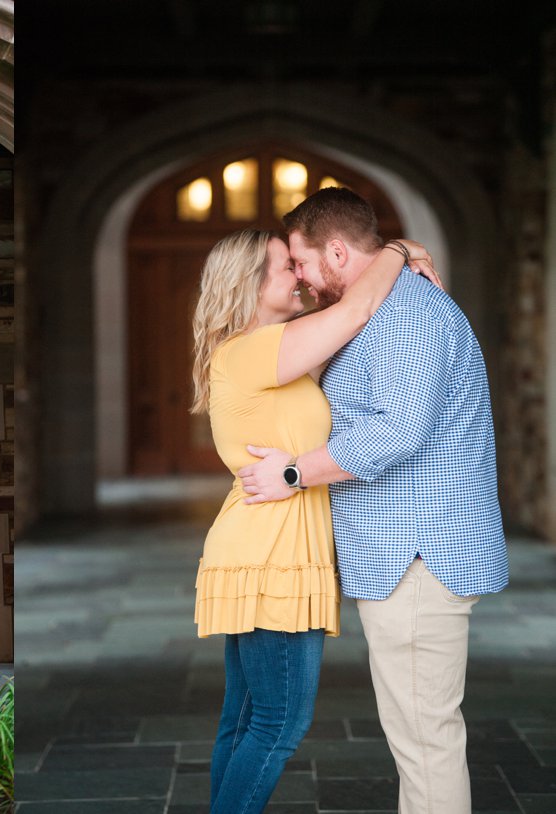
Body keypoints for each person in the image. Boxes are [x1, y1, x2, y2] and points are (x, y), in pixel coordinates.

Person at [237, 187, 509, 814]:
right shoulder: (386, 304)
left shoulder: (406, 315)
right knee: (419, 736)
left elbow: (399, 431)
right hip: (405, 555)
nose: (300, 279)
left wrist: (292, 474)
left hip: (418, 555)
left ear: (336, 251)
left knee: (425, 740)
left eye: (301, 262)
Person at [190, 227, 438, 814]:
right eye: (285, 267)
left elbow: (351, 311)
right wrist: (396, 252)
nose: (300, 275)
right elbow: (357, 309)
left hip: (263, 543)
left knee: (248, 717)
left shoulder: (271, 350)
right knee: (278, 724)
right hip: (272, 551)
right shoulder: (252, 352)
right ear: (249, 285)